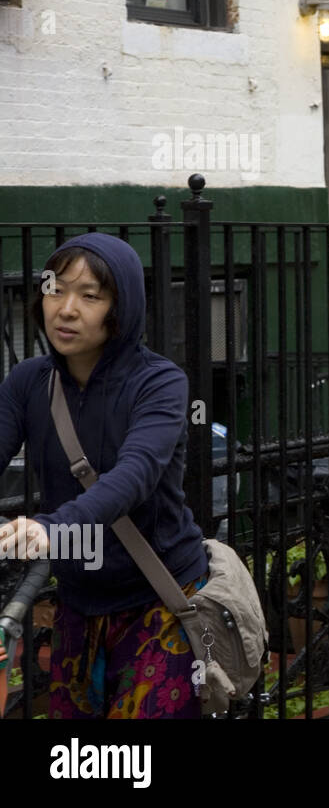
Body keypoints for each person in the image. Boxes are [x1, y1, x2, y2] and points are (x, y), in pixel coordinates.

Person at [0, 234, 208, 718]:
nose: (66, 309)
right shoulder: (28, 381)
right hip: (78, 602)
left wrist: (50, 527)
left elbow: (133, 475)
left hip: (159, 599)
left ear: (121, 307)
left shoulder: (159, 382)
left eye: (90, 295)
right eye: (56, 289)